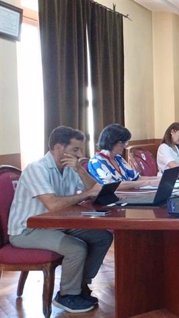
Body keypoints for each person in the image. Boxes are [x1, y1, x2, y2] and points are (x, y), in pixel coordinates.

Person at [8, 126, 113, 313]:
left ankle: (80, 284)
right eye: (75, 150)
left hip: (56, 225)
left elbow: (95, 191)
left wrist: (80, 169)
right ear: (58, 148)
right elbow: (53, 205)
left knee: (102, 237)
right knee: (76, 248)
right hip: (27, 230)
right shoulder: (37, 168)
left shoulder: (70, 168)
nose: (80, 154)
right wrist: (85, 194)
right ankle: (67, 296)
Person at [87, 124, 159, 190]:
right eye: (122, 142)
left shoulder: (118, 158)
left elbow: (136, 178)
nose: (125, 146)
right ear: (111, 141)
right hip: (112, 200)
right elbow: (112, 186)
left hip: (127, 195)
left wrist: (159, 179)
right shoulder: (96, 161)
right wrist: (148, 183)